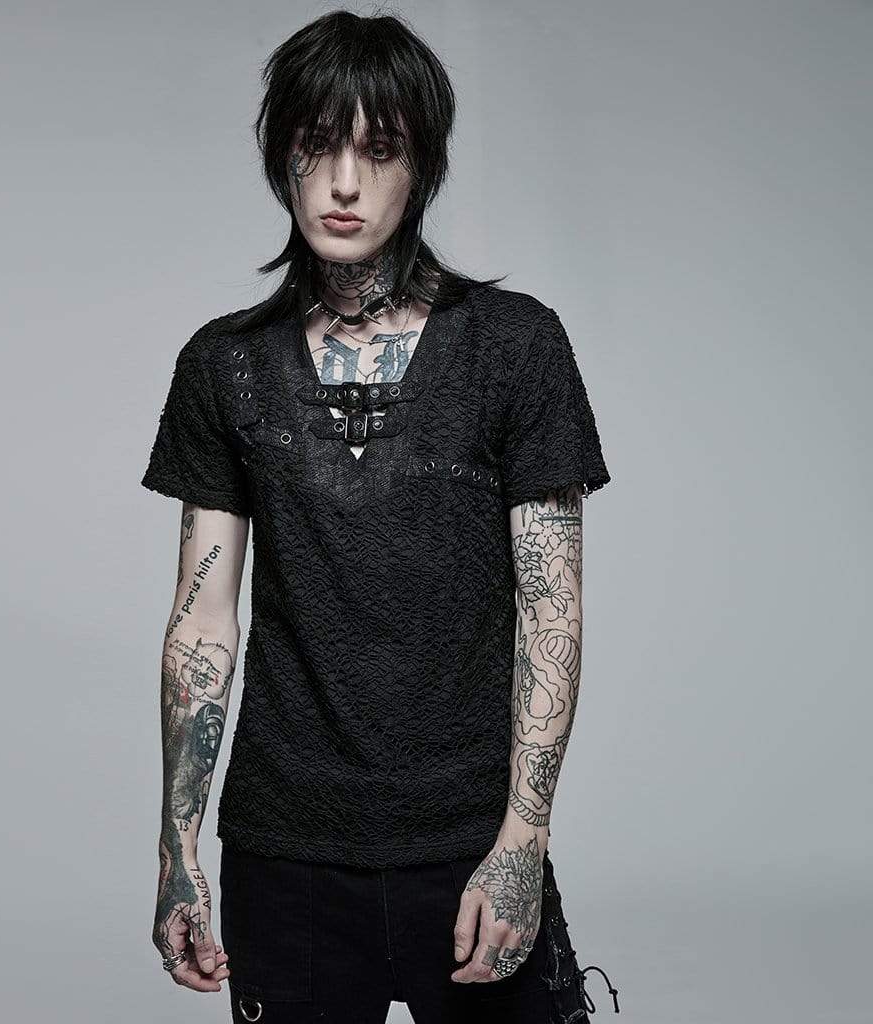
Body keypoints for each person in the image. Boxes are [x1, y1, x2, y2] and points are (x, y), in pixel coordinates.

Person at [142, 10, 619, 1023]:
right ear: (281, 157)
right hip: (286, 852)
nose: (344, 182)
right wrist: (177, 849)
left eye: (381, 149)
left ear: (423, 166)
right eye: (317, 144)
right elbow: (201, 620)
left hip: (468, 841)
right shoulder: (225, 364)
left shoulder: (513, 347)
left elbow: (552, 609)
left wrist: (523, 839)